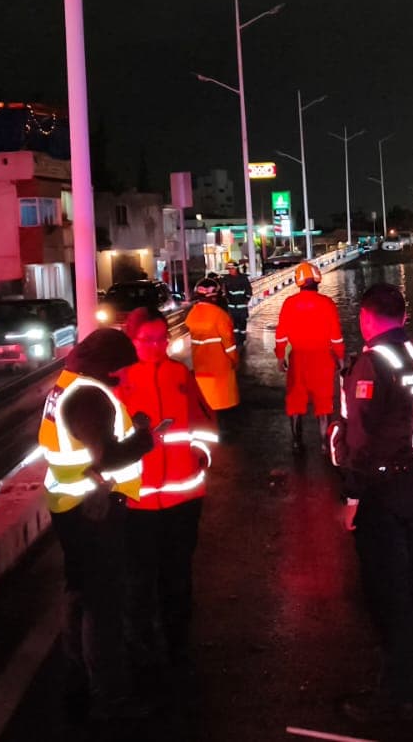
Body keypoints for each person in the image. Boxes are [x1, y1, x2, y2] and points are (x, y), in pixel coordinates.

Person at [327, 283, 413, 724]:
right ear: (404, 315)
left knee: (385, 591)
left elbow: (361, 439)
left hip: (382, 491)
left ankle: (398, 694)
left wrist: (352, 496)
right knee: (410, 582)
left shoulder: (371, 364)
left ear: (366, 318)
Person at [38, 329, 154, 721]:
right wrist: (143, 439)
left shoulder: (66, 386)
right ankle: (112, 697)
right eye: (122, 367)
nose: (124, 374)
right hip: (93, 508)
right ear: (109, 364)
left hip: (70, 504)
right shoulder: (89, 396)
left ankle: (78, 678)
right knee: (102, 605)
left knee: (79, 592)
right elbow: (105, 457)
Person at [115, 309, 218, 681]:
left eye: (163, 339)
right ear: (132, 340)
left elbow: (205, 422)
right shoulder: (118, 382)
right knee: (138, 582)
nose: (158, 346)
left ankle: (178, 648)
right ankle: (141, 655)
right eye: (149, 340)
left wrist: (201, 454)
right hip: (137, 503)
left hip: (182, 499)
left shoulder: (180, 375)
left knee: (177, 577)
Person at [274, 261, 345, 454]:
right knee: (324, 403)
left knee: (295, 401)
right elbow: (336, 337)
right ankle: (324, 445)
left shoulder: (289, 303)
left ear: (298, 281)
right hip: (323, 360)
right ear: (317, 281)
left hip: (298, 359)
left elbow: (281, 335)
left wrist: (281, 357)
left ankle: (297, 442)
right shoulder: (327, 303)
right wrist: (341, 360)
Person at [185, 277, 240, 411]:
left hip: (200, 370)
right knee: (223, 412)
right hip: (220, 373)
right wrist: (235, 361)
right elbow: (230, 346)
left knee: (205, 409)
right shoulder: (220, 316)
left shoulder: (191, 315)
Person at [221, 260, 253, 349]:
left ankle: (242, 340)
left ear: (236, 268)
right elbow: (224, 291)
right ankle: (236, 341)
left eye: (232, 269)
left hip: (241, 306)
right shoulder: (226, 279)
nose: (230, 270)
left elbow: (248, 290)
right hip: (232, 307)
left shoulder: (243, 278)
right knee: (233, 325)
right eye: (229, 269)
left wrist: (246, 299)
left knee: (242, 324)